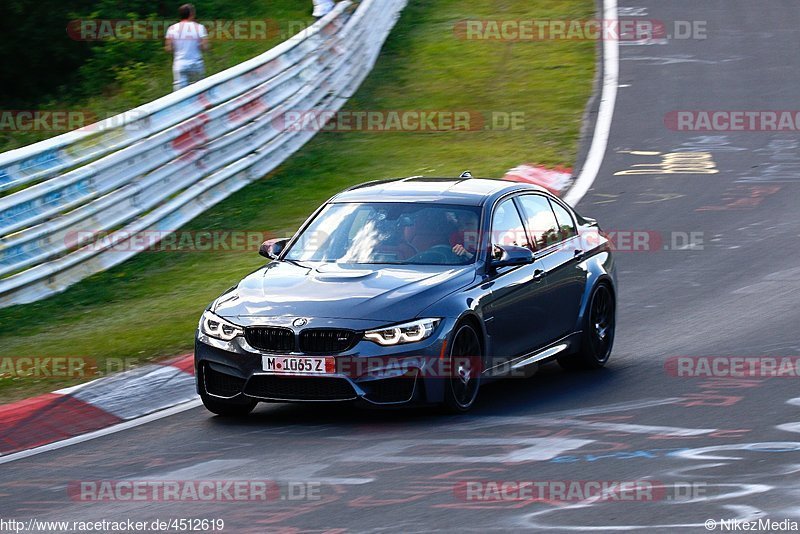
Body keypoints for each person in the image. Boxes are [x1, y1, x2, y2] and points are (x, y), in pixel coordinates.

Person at [165, 4, 209, 92]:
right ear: (191, 14)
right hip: (196, 64)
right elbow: (205, 47)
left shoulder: (171, 28)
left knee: (180, 95)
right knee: (199, 92)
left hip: (180, 64)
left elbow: (168, 48)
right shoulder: (199, 27)